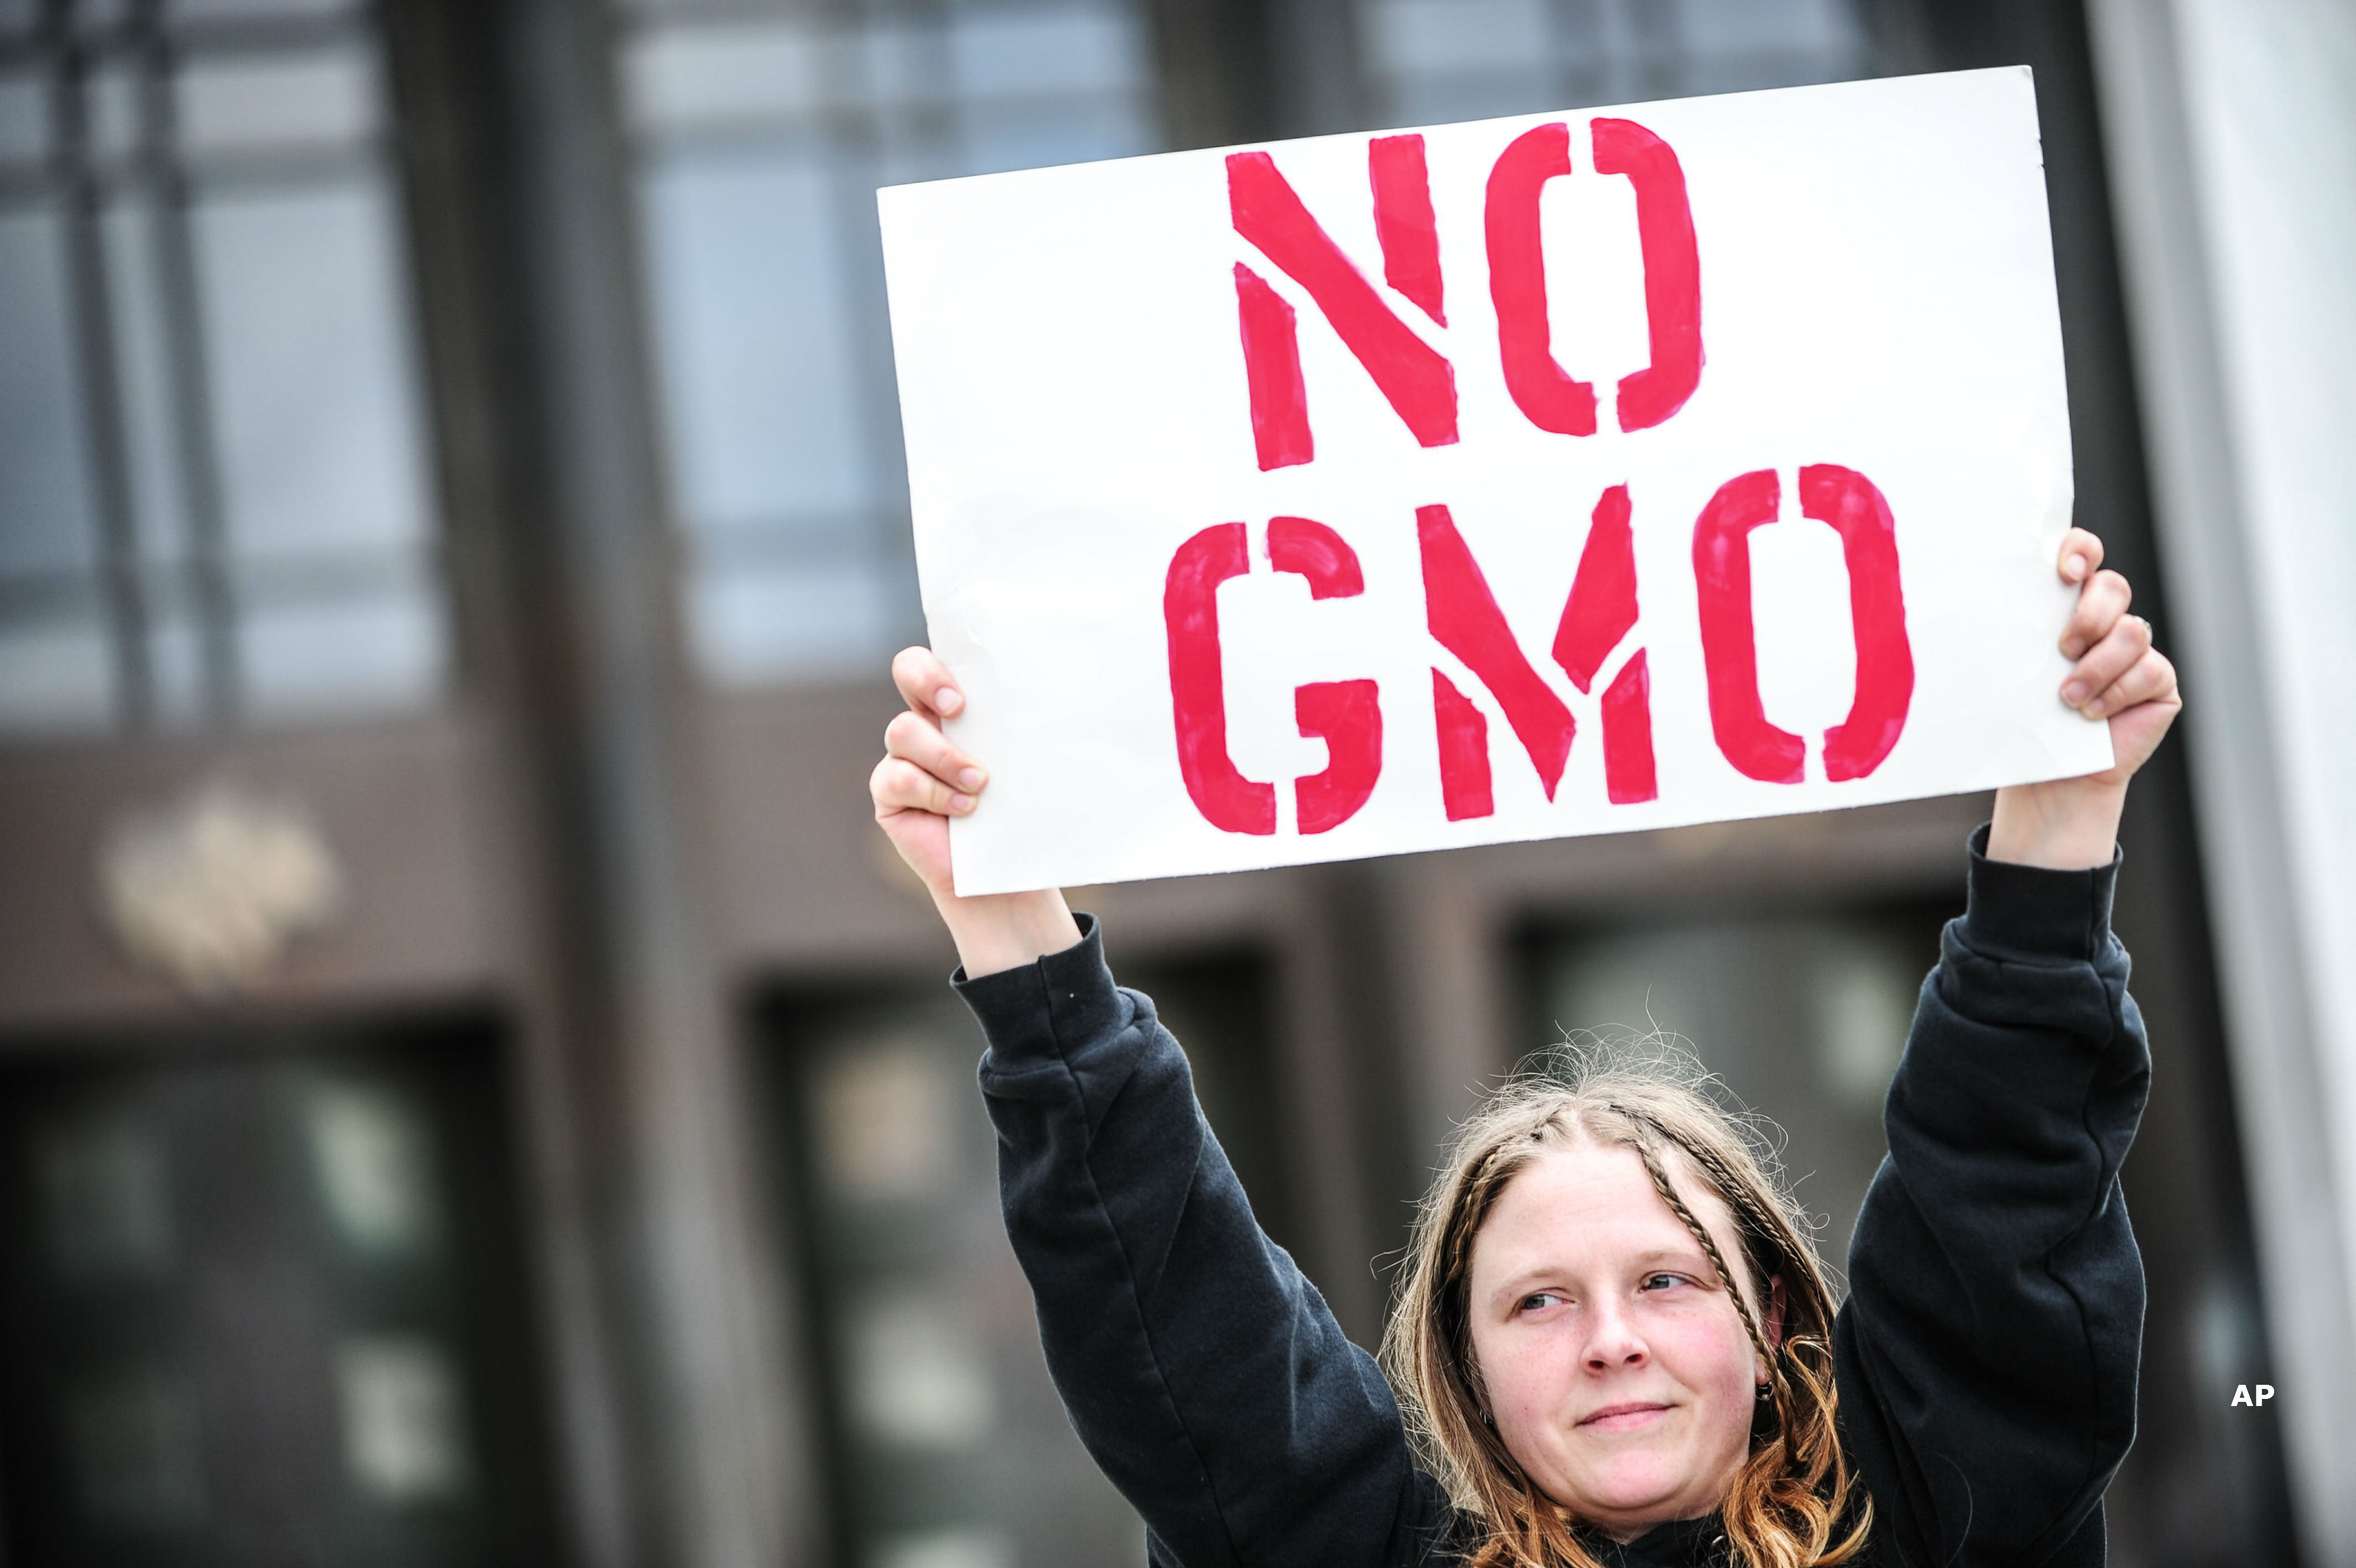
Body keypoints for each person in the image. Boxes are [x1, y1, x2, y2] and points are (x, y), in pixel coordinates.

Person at [869, 529, 2179, 1567]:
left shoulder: (1940, 1515)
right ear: (1468, 1364)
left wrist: (2058, 819)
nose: (1610, 1338)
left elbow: (1998, 1193)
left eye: (1665, 1277)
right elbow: (1180, 1318)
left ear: (1772, 1315)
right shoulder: (1371, 1549)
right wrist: (1009, 923)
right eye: (1537, 1300)